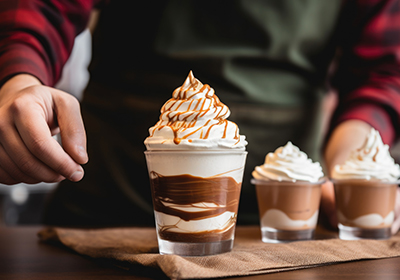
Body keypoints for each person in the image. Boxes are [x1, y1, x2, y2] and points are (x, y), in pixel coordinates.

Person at [0, 0, 399, 232]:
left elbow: (382, 72)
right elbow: (39, 10)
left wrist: (355, 167)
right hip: (107, 198)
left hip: (290, 212)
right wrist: (17, 83)